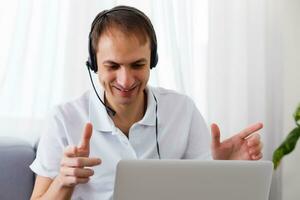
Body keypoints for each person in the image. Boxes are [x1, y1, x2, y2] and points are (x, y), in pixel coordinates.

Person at [30, 5, 263, 200]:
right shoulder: (63, 118)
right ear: (94, 64)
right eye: (112, 66)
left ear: (152, 61)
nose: (126, 80)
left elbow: (207, 194)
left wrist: (225, 170)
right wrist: (63, 181)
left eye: (137, 65)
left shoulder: (182, 110)